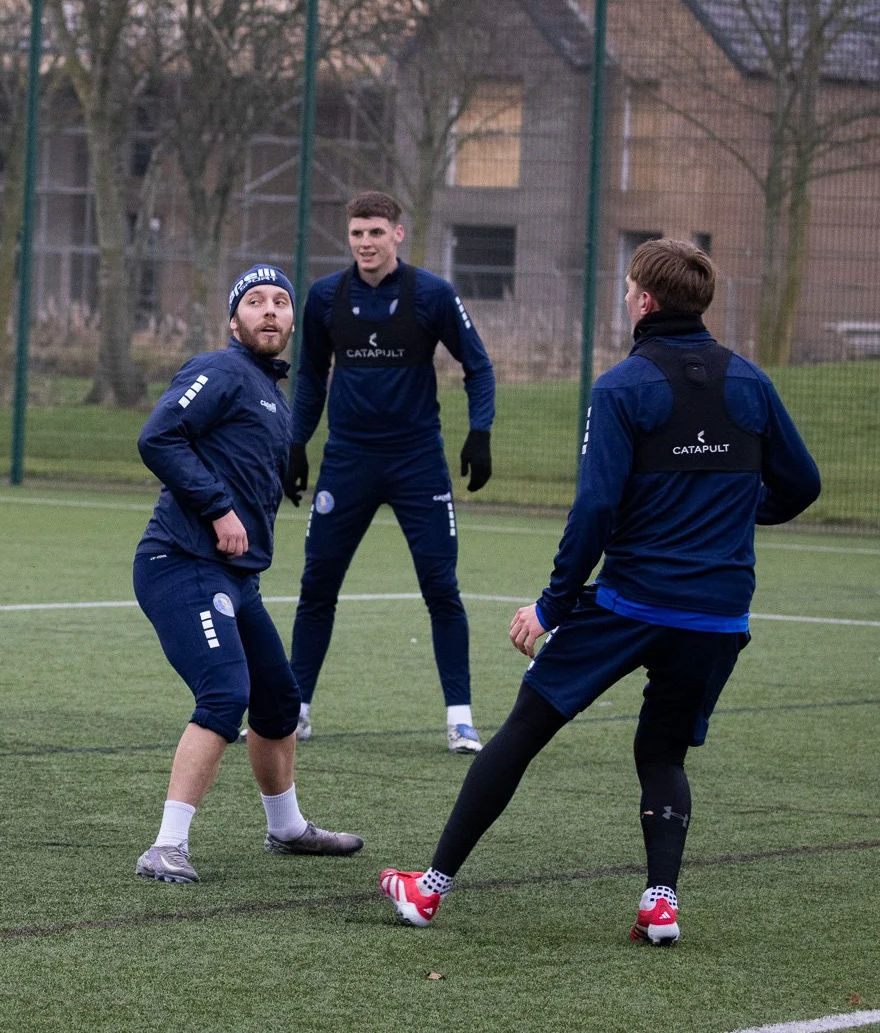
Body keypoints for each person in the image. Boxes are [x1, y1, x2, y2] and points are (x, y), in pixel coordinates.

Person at [379, 238, 819, 943]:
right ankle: (660, 902)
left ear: (644, 298)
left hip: (628, 605)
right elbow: (803, 484)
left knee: (521, 731)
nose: (623, 295)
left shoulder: (622, 386)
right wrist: (734, 515)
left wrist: (553, 605)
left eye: (626, 287)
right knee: (663, 754)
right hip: (716, 612)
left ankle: (427, 891)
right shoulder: (751, 382)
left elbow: (595, 510)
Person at [132, 265, 364, 884]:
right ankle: (166, 846)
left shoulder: (268, 389)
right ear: (234, 321)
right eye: (255, 302)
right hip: (179, 565)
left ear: (292, 320)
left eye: (281, 302)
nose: (270, 311)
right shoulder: (221, 369)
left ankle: (286, 827)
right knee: (225, 695)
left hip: (234, 577)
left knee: (278, 699)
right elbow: (158, 437)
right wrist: (218, 507)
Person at [286, 191, 497, 753]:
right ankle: (295, 711)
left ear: (397, 234)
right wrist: (295, 443)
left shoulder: (432, 294)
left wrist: (481, 432)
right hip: (347, 461)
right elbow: (309, 376)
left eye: (376, 232)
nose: (365, 243)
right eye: (357, 233)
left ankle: (460, 719)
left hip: (417, 463)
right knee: (317, 586)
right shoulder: (324, 296)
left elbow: (477, 366)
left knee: (440, 588)